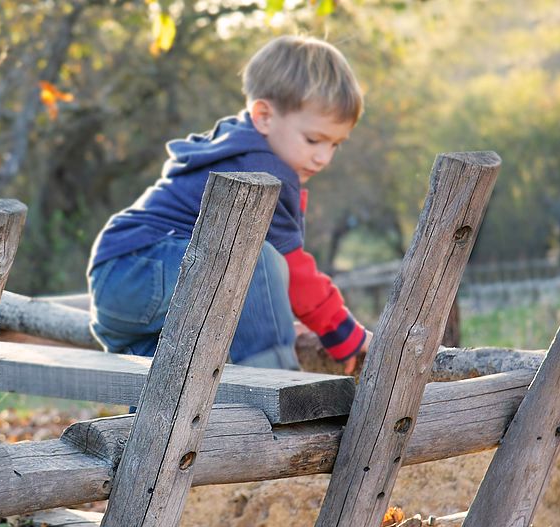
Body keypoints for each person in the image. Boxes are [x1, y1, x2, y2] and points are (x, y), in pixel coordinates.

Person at [88, 35, 372, 374]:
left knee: (166, 390)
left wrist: (276, 316)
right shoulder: (266, 169)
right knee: (257, 261)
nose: (323, 157)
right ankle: (276, 388)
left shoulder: (237, 146)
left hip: (121, 278)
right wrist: (344, 334)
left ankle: (148, 428)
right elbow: (292, 271)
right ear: (264, 116)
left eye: (335, 144)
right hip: (145, 267)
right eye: (313, 140)